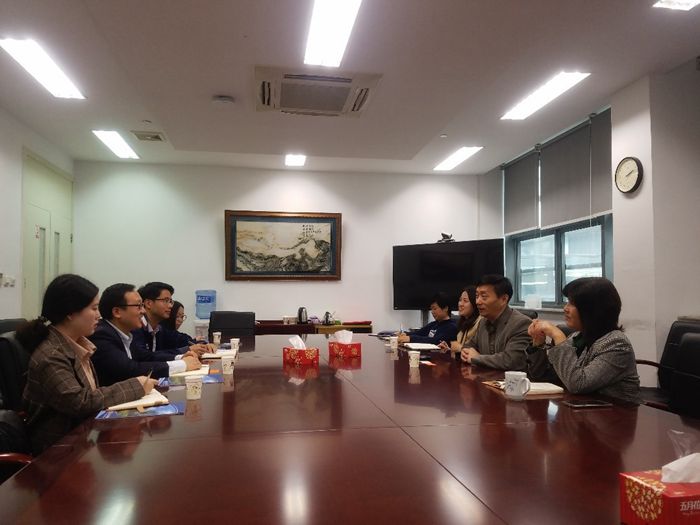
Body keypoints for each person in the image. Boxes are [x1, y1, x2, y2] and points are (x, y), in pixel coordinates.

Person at [16, 274, 158, 454]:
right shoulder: (51, 355)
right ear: (70, 312)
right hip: (57, 452)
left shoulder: (77, 344)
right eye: (94, 308)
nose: (99, 315)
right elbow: (80, 403)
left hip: (83, 439)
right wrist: (136, 386)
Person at [527, 277, 641, 404]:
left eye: (572, 304)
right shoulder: (577, 337)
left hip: (616, 413)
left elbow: (577, 385)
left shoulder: (616, 344)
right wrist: (538, 344)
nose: (565, 308)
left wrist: (558, 336)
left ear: (593, 309)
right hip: (581, 410)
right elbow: (543, 377)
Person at [90, 284, 201, 386]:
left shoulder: (125, 334)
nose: (143, 311)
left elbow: (145, 357)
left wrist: (180, 357)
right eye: (138, 306)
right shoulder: (101, 335)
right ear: (117, 312)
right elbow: (130, 370)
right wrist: (183, 364)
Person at [460, 275, 531, 370]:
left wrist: (477, 358)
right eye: (477, 296)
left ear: (503, 299)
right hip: (486, 377)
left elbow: (512, 360)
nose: (477, 302)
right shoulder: (483, 322)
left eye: (484, 297)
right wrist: (465, 352)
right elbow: (469, 345)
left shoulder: (521, 324)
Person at [131, 282, 209, 357]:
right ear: (148, 303)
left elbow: (180, 340)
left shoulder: (159, 329)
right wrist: (186, 350)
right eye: (166, 300)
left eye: (170, 301)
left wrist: (203, 345)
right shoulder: (135, 328)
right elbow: (145, 357)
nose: (170, 306)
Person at [438, 286, 481, 359]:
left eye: (465, 301)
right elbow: (460, 352)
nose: (460, 304)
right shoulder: (463, 324)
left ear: (474, 303)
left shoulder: (480, 323)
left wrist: (459, 348)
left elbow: (475, 354)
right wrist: (449, 350)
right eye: (460, 300)